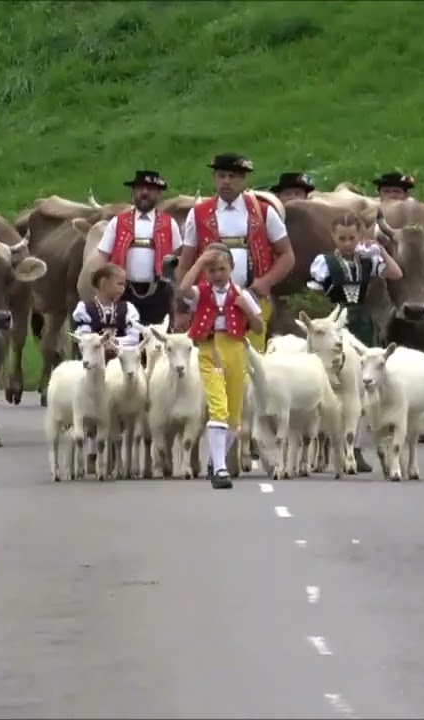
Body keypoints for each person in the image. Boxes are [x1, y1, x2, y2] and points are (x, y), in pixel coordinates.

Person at [306, 212, 404, 473]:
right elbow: (314, 295)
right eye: (342, 238)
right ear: (333, 237)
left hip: (360, 321)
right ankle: (323, 447)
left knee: (359, 387)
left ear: (360, 237)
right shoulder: (324, 263)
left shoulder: (367, 260)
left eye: (352, 238)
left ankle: (355, 447)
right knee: (327, 384)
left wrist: (380, 249)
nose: (347, 243)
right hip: (333, 323)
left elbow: (395, 273)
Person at [178, 152, 295, 354]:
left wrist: (266, 282)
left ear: (243, 180)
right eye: (221, 176)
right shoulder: (197, 214)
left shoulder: (264, 211)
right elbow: (185, 263)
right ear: (214, 179)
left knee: (252, 362)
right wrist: (181, 307)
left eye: (232, 176)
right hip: (208, 302)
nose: (226, 181)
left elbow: (287, 256)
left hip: (252, 299)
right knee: (212, 364)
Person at [179, 243, 266, 490]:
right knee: (218, 407)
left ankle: (213, 459)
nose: (216, 275)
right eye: (211, 270)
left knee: (234, 417)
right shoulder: (200, 292)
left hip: (235, 350)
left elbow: (259, 327)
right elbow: (183, 289)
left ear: (231, 268)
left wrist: (247, 310)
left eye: (221, 269)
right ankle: (220, 468)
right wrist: (197, 263)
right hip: (211, 351)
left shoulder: (242, 293)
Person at [94, 170, 182, 328]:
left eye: (151, 189)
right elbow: (102, 257)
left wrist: (177, 296)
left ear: (159, 194)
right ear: (133, 192)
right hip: (122, 292)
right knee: (123, 339)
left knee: (157, 342)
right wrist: (102, 290)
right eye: (141, 188)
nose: (145, 193)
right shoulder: (117, 223)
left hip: (159, 293)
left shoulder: (170, 224)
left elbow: (178, 260)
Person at [71, 263, 143, 363]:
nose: (123, 288)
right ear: (104, 283)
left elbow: (134, 338)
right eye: (119, 284)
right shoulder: (85, 309)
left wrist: (115, 343)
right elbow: (83, 338)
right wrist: (101, 344)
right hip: (93, 363)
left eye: (124, 285)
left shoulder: (127, 308)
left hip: (120, 365)